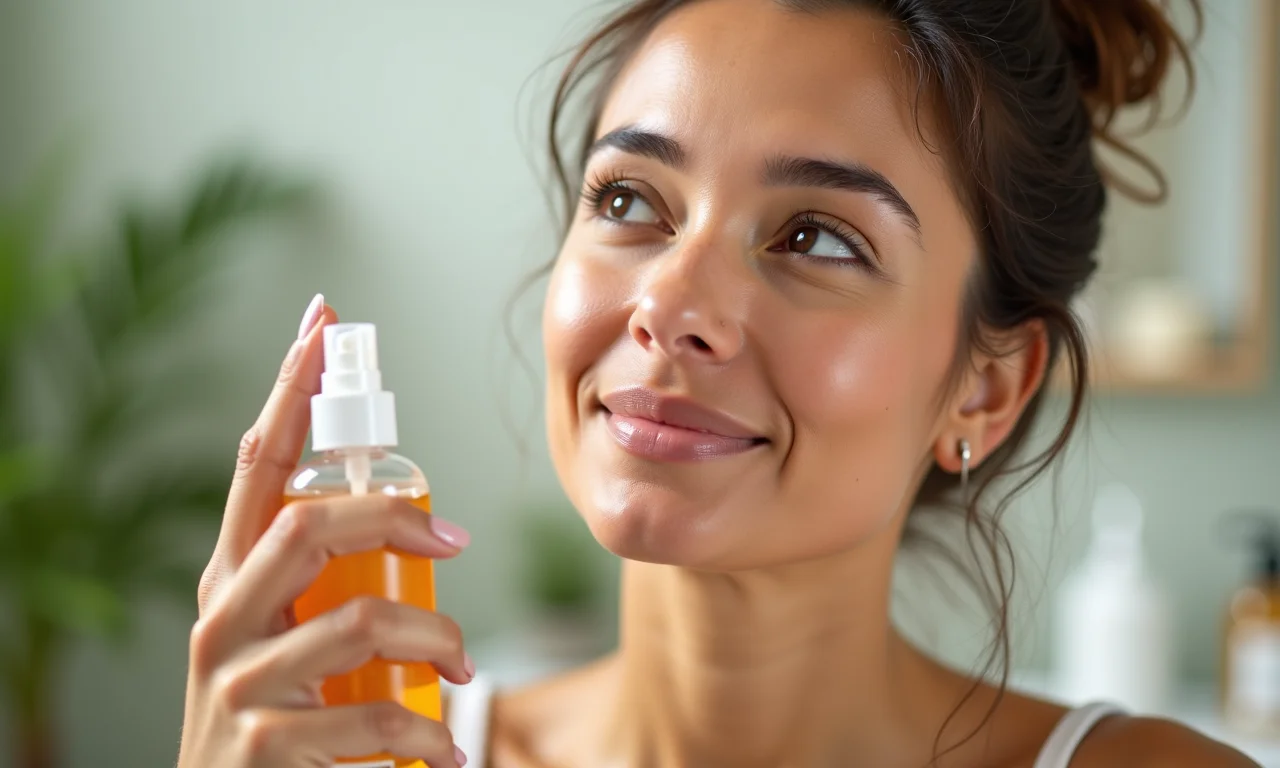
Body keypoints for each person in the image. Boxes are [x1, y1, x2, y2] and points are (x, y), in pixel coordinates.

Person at [176, 0, 1259, 766]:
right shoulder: (373, 757)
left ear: (984, 387)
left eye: (816, 237)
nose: (669, 305)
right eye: (628, 202)